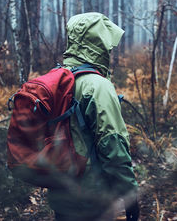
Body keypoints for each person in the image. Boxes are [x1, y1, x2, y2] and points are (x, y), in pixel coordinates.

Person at [47, 12, 140, 221]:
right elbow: (113, 146)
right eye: (107, 43)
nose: (111, 49)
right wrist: (130, 197)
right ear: (97, 43)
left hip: (61, 192)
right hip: (92, 198)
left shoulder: (57, 78)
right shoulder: (98, 86)